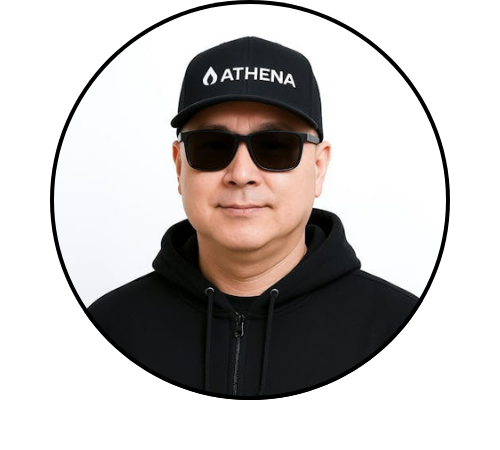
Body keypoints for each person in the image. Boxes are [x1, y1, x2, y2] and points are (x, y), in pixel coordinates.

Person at [88, 36, 419, 396]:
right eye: (212, 146)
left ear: (319, 167)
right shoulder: (111, 327)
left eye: (275, 147)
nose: (241, 173)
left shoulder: (394, 326)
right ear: (179, 166)